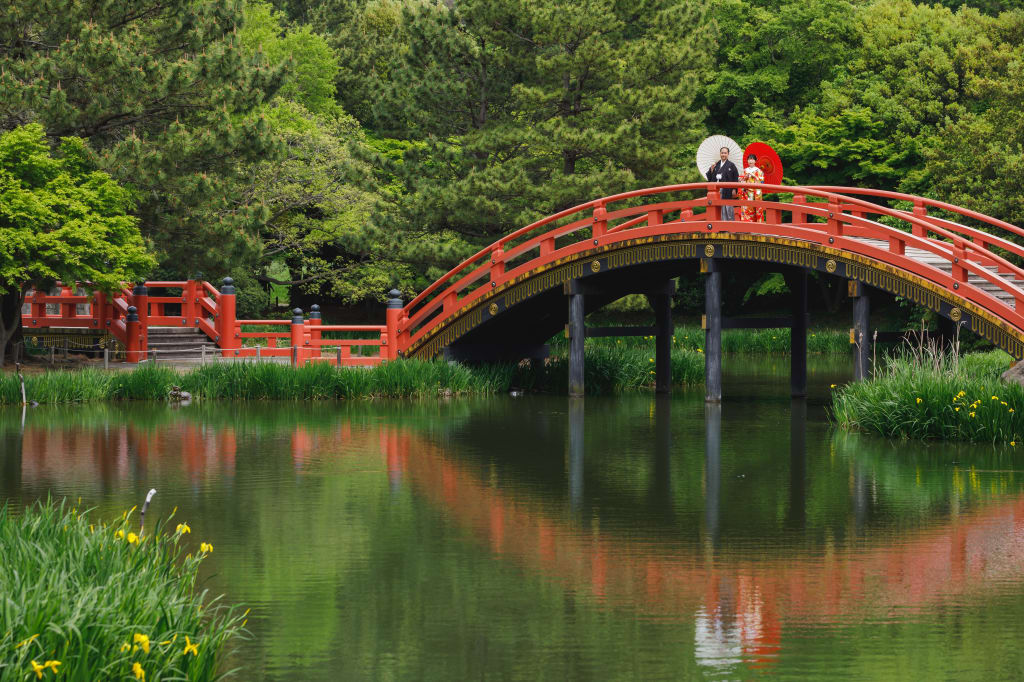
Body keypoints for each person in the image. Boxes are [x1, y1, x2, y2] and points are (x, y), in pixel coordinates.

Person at [706, 147, 738, 221]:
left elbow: (735, 177)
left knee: (727, 207)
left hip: (727, 190)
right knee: (717, 207)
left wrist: (734, 189)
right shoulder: (716, 164)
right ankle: (719, 225)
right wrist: (711, 170)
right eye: (722, 153)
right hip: (717, 190)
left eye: (725, 153)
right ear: (720, 154)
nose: (723, 154)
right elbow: (710, 178)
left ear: (728, 154)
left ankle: (729, 225)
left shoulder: (731, 165)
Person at [739, 154, 765, 223]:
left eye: (752, 159)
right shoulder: (744, 171)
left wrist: (755, 177)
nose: (750, 161)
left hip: (755, 193)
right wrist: (745, 178)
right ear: (747, 161)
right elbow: (740, 181)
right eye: (749, 159)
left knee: (756, 208)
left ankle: (757, 224)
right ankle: (746, 223)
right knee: (745, 208)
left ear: (755, 161)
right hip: (746, 192)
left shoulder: (759, 171)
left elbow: (761, 182)